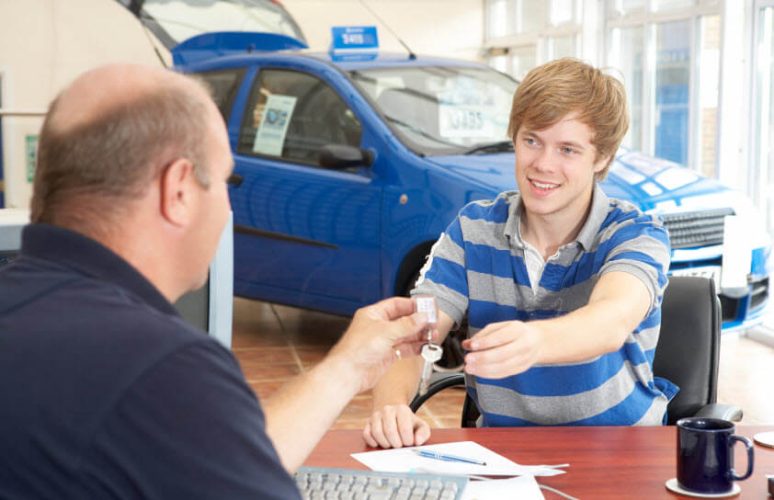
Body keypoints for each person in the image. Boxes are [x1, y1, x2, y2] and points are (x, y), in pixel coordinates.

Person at [0, 64, 430, 498]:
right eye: (224, 182)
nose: (228, 209)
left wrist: (347, 368)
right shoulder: (158, 367)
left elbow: (213, 456)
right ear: (180, 191)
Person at [364, 58, 676, 449]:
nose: (543, 164)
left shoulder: (634, 233)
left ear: (602, 159)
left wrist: (537, 343)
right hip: (505, 457)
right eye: (532, 140)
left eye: (567, 149)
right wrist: (391, 405)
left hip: (622, 453)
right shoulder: (472, 231)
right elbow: (415, 333)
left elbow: (610, 321)